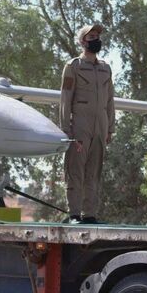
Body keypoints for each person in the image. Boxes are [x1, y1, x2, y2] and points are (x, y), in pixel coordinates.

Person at [59, 24, 115, 224]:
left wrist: (110, 128)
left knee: (94, 172)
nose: (96, 39)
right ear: (83, 41)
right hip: (80, 125)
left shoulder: (105, 68)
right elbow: (66, 99)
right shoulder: (73, 66)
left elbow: (110, 100)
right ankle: (74, 213)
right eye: (91, 36)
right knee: (75, 171)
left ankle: (90, 214)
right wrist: (67, 129)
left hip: (100, 125)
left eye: (97, 36)